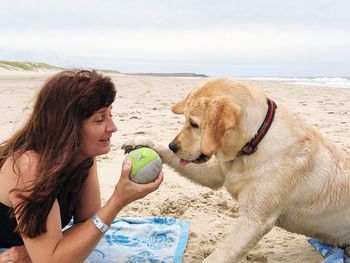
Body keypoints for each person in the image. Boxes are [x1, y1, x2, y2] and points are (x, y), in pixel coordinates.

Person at [0, 70, 163, 263]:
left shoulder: (83, 156)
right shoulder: (29, 166)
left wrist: (33, 251)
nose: (113, 127)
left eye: (110, 114)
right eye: (100, 119)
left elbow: (88, 222)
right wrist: (117, 200)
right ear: (67, 127)